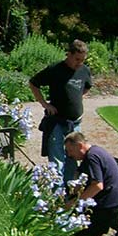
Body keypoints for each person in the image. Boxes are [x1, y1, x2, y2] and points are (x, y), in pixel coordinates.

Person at [29, 39, 92, 183]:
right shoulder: (55, 69)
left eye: (82, 60)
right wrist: (45, 104)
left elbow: (87, 87)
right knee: (57, 161)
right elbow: (33, 83)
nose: (79, 63)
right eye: (77, 59)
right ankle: (56, 194)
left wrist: (75, 98)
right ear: (68, 54)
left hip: (75, 123)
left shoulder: (84, 70)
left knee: (73, 158)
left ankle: (69, 193)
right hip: (56, 122)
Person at [64, 132, 118, 236]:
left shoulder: (92, 158)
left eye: (71, 151)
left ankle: (111, 220)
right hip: (114, 198)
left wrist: (75, 203)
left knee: (78, 232)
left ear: (80, 146)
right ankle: (110, 219)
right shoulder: (96, 151)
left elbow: (97, 185)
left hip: (108, 203)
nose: (69, 155)